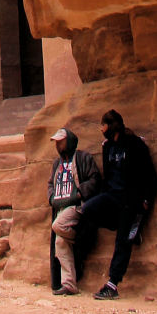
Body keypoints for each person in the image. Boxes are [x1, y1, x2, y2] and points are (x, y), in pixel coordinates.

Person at [77, 109, 157, 299]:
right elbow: (108, 176)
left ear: (111, 126)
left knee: (122, 242)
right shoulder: (107, 147)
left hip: (130, 200)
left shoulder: (134, 144)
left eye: (103, 125)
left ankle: (112, 285)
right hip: (112, 197)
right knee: (88, 209)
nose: (101, 129)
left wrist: (146, 201)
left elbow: (149, 175)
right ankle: (130, 229)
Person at [46, 126, 100, 296]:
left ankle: (81, 240)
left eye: (61, 142)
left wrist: (79, 193)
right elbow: (50, 184)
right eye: (56, 142)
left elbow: (94, 179)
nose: (58, 145)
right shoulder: (57, 163)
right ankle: (69, 284)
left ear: (69, 141)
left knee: (58, 226)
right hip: (61, 207)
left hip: (77, 206)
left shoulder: (83, 158)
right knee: (60, 243)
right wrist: (51, 198)